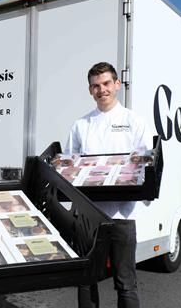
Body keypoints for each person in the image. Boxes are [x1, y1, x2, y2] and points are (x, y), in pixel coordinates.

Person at [65, 62, 152, 308]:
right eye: (95, 86)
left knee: (125, 282)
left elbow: (146, 164)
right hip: (87, 215)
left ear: (117, 84)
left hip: (121, 215)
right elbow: (70, 165)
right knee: (85, 279)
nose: (101, 90)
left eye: (105, 84)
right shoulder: (81, 125)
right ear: (90, 90)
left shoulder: (134, 121)